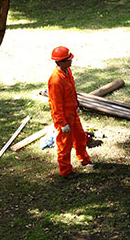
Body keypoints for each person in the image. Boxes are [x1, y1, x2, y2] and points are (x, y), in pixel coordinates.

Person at [48, 46, 91, 179]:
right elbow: (55, 105)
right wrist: (62, 123)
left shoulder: (67, 71)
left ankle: (84, 160)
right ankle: (65, 171)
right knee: (64, 145)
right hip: (64, 117)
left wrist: (76, 105)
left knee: (80, 137)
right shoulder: (56, 81)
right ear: (60, 62)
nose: (71, 61)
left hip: (72, 112)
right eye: (68, 59)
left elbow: (72, 90)